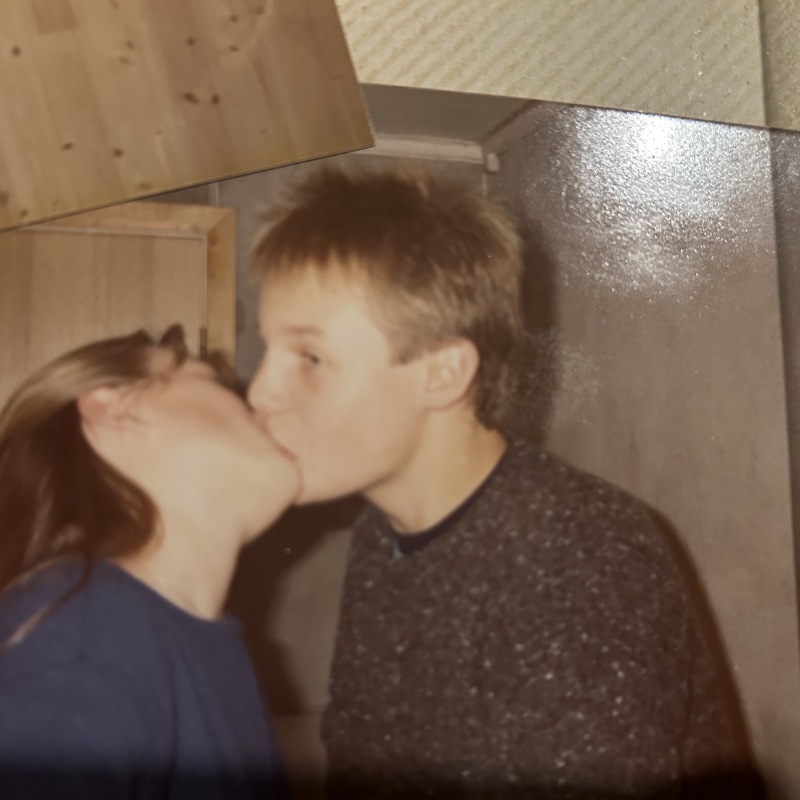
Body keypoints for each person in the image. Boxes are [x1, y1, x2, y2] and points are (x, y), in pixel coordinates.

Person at [246, 167, 763, 799]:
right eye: (268, 350)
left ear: (442, 374)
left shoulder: (581, 562)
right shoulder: (382, 532)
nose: (261, 392)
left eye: (310, 357)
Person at [0, 326, 300, 799]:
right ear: (113, 409)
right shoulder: (81, 643)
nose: (258, 400)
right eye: (211, 381)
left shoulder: (157, 631)